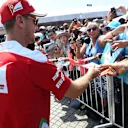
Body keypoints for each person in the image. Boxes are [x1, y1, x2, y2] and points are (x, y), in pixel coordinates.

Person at [0, 0, 100, 128]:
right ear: (20, 21)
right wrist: (91, 73)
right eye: (34, 21)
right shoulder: (33, 60)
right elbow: (74, 91)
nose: (36, 27)